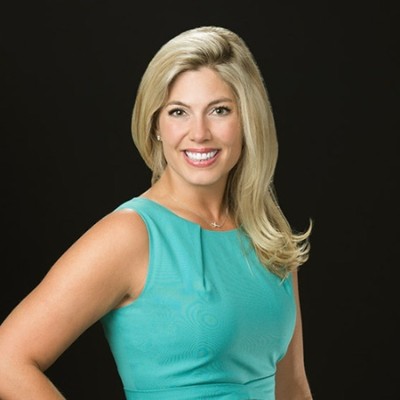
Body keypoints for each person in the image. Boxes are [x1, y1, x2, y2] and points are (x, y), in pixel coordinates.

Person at [0, 26, 313, 399]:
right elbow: (7, 360)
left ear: (248, 120)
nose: (199, 133)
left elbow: (292, 387)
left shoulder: (268, 233)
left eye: (219, 110)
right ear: (156, 125)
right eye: (179, 112)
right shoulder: (131, 235)